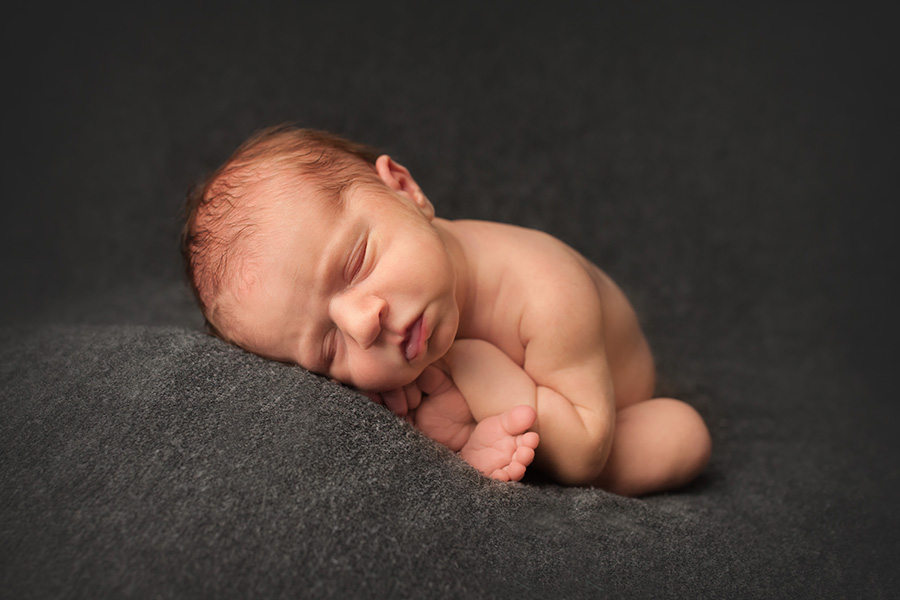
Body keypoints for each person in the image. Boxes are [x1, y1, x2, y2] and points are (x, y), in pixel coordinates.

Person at [182, 125, 711, 495]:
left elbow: (584, 452)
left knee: (684, 434)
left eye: (357, 263)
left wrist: (471, 363)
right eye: (326, 347)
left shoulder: (546, 288)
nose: (362, 325)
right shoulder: (404, 326)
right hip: (516, 407)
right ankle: (478, 438)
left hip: (605, 408)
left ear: (406, 191)